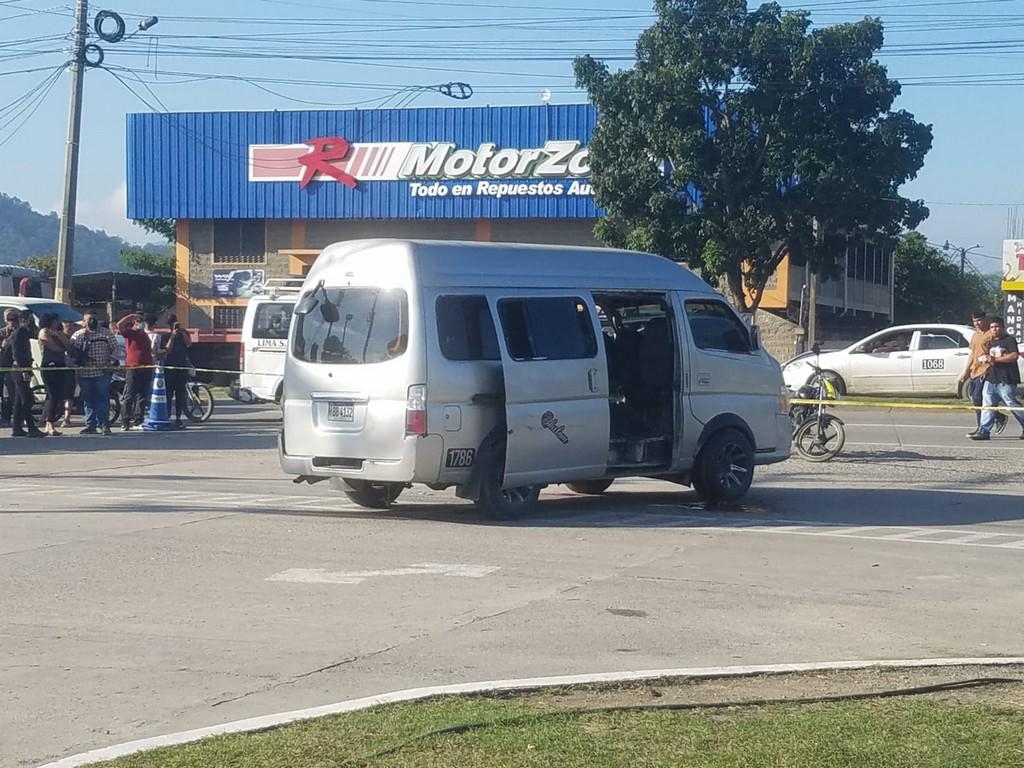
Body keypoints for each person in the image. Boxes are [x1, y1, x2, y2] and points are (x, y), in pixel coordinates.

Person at [969, 316, 1024, 441]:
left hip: (1006, 379)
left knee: (1011, 403)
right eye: (992, 327)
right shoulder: (990, 341)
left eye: (997, 327)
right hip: (991, 378)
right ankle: (984, 430)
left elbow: (1014, 356)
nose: (994, 329)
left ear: (1003, 327)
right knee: (987, 404)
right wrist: (984, 360)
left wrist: (995, 359)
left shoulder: (1009, 340)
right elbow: (987, 356)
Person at [961, 312, 1007, 436]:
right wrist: (966, 370)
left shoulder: (990, 333)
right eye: (974, 321)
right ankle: (995, 418)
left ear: (985, 319)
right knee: (976, 400)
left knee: (979, 398)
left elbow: (998, 349)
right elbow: (972, 353)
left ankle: (983, 428)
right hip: (975, 371)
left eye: (979, 320)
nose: (977, 323)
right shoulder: (976, 334)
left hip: (986, 370)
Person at [0, 308, 45, 437]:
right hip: (19, 368)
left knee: (20, 399)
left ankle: (16, 427)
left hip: (16, 369)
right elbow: (18, 353)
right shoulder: (20, 332)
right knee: (27, 398)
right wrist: (24, 369)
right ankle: (31, 427)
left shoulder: (13, 333)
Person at [71, 312, 118, 435]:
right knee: (88, 400)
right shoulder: (78, 335)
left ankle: (104, 425)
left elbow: (115, 348)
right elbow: (72, 352)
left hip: (102, 373)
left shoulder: (106, 333)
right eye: (89, 319)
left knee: (102, 399)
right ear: (84, 322)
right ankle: (90, 425)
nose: (92, 321)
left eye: (94, 318)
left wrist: (110, 362)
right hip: (84, 373)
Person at [37, 312, 76, 436]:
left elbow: (68, 345)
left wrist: (59, 336)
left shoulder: (58, 333)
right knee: (53, 395)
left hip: (60, 365)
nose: (57, 323)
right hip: (49, 366)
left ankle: (49, 424)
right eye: (55, 320)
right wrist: (61, 345)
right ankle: (49, 423)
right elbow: (54, 347)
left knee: (58, 396)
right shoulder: (44, 332)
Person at [115, 312, 154, 431]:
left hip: (147, 367)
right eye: (139, 321)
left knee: (142, 396)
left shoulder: (145, 335)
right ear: (134, 323)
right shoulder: (130, 333)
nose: (141, 323)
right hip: (133, 368)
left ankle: (138, 421)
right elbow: (119, 325)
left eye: (143, 320)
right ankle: (125, 421)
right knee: (129, 395)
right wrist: (131, 317)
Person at [163, 315, 192, 429]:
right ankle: (168, 416)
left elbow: (189, 344)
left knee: (180, 394)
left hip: (182, 367)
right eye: (172, 324)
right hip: (170, 368)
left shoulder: (185, 334)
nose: (174, 326)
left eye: (175, 324)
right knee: (169, 394)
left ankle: (178, 417)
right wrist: (173, 337)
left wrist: (183, 332)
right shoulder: (166, 336)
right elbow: (167, 350)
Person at [59, 320, 81, 427]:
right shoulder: (57, 339)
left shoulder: (75, 340)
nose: (70, 330)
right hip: (58, 368)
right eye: (68, 328)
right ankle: (48, 417)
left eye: (72, 328)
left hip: (70, 370)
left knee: (69, 394)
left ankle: (67, 418)